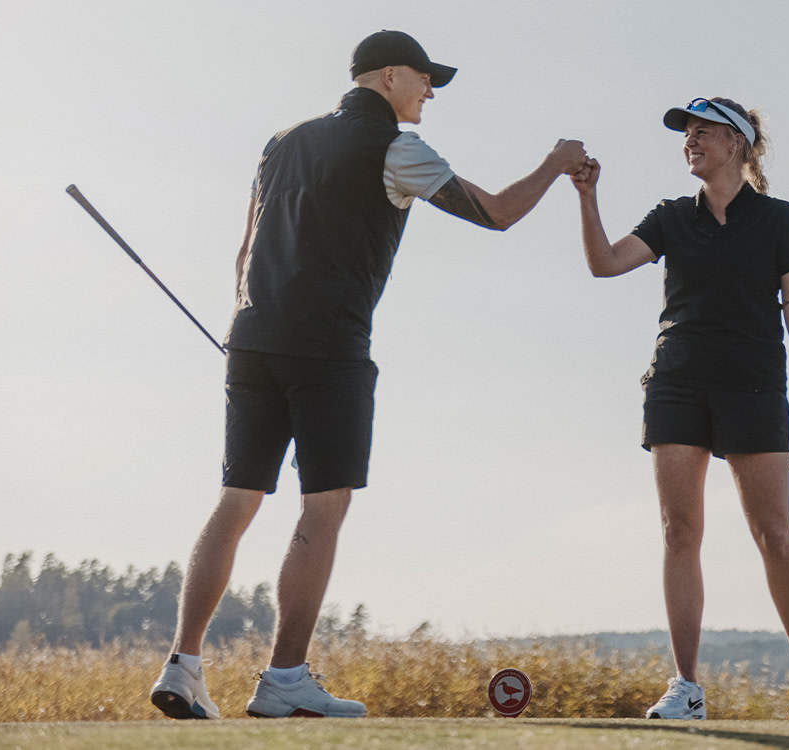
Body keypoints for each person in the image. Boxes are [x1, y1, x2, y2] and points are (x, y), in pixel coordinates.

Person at [148, 30, 589, 720]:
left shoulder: (281, 140)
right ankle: (283, 678)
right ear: (387, 77)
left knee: (235, 501)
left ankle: (184, 665)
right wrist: (556, 162)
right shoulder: (397, 149)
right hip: (330, 350)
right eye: (423, 78)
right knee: (323, 508)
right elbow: (499, 213)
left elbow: (245, 250)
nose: (430, 91)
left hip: (252, 338)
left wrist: (248, 331)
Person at [570, 97, 789, 720]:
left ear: (738, 145)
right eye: (685, 134)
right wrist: (587, 196)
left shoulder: (778, 218)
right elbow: (605, 264)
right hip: (677, 383)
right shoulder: (669, 217)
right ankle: (686, 687)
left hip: (754, 385)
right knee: (678, 531)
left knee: (773, 533)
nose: (690, 141)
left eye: (703, 132)